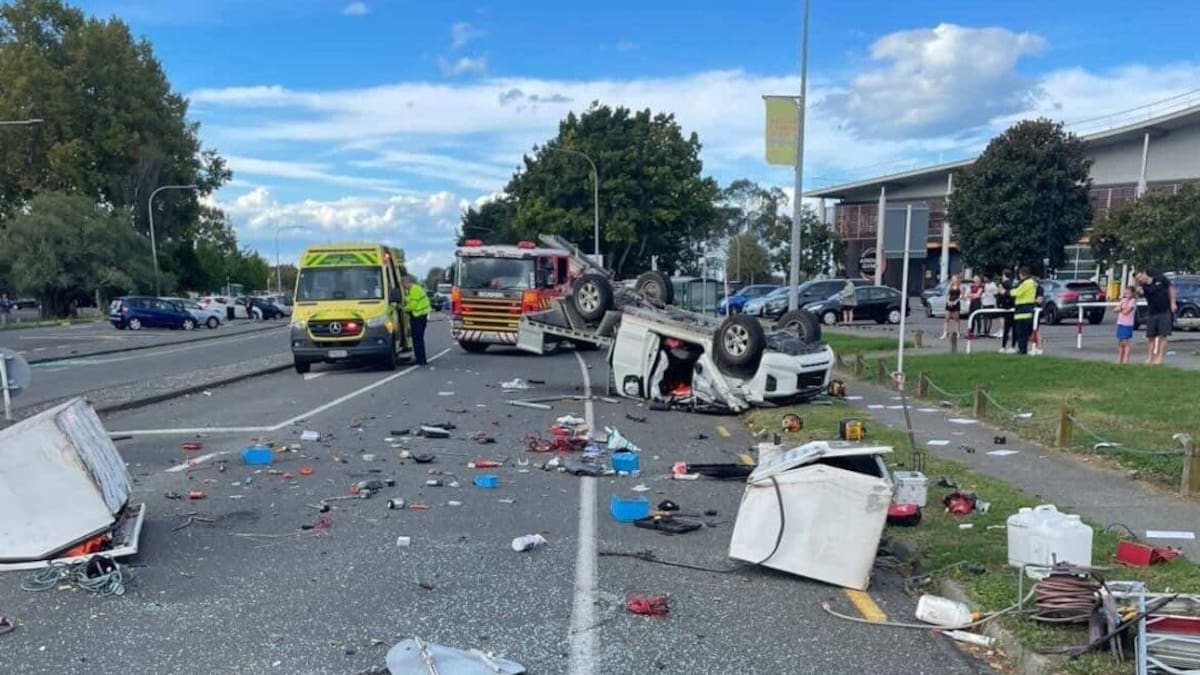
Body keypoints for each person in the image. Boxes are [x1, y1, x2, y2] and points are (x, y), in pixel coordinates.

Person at [1135, 266, 1177, 365]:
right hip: (1152, 313)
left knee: (1163, 335)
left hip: (1165, 311)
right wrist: (1137, 287)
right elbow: (1140, 293)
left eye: (1140, 276)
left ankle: (1160, 358)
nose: (1140, 279)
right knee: (1150, 337)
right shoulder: (1144, 287)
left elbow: (1171, 287)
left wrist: (1173, 302)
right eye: (1138, 279)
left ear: (1145, 273)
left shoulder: (1161, 279)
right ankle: (1150, 358)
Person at [401, 276, 431, 366]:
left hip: (419, 317)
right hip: (419, 317)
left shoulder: (414, 290)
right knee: (418, 339)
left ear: (406, 283)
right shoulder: (412, 290)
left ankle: (420, 360)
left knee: (417, 339)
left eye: (402, 285)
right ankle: (421, 359)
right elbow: (410, 301)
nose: (402, 287)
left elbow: (412, 306)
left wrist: (402, 308)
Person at [1011, 267, 1039, 355]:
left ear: (1022, 274)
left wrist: (1007, 292)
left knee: (1021, 333)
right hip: (1028, 310)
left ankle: (1022, 350)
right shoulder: (1032, 282)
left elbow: (1017, 292)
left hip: (1022, 311)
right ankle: (1023, 349)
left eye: (1019, 274)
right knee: (1025, 333)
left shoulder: (1026, 283)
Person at [1116, 285, 1137, 364]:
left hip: (1127, 324)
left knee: (1125, 342)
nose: (1127, 293)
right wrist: (1121, 308)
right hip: (1120, 322)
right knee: (1120, 342)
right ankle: (1119, 359)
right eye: (1126, 292)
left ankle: (1126, 360)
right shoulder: (1123, 300)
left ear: (1132, 293)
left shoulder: (1132, 301)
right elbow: (1115, 309)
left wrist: (1121, 309)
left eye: (1129, 292)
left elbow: (1126, 312)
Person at [996, 269, 1015, 353]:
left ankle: (1003, 346)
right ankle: (1013, 346)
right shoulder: (1013, 284)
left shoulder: (1002, 284)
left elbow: (999, 293)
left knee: (1006, 329)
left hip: (1005, 308)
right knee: (1014, 329)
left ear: (1004, 275)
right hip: (1013, 307)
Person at [940, 275, 962, 339]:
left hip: (956, 303)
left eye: (955, 278)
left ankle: (957, 333)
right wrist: (948, 301)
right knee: (947, 319)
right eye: (953, 279)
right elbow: (946, 295)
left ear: (957, 279)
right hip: (949, 303)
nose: (954, 280)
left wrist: (956, 301)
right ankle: (945, 333)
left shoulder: (960, 286)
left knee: (956, 319)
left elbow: (961, 296)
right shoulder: (950, 286)